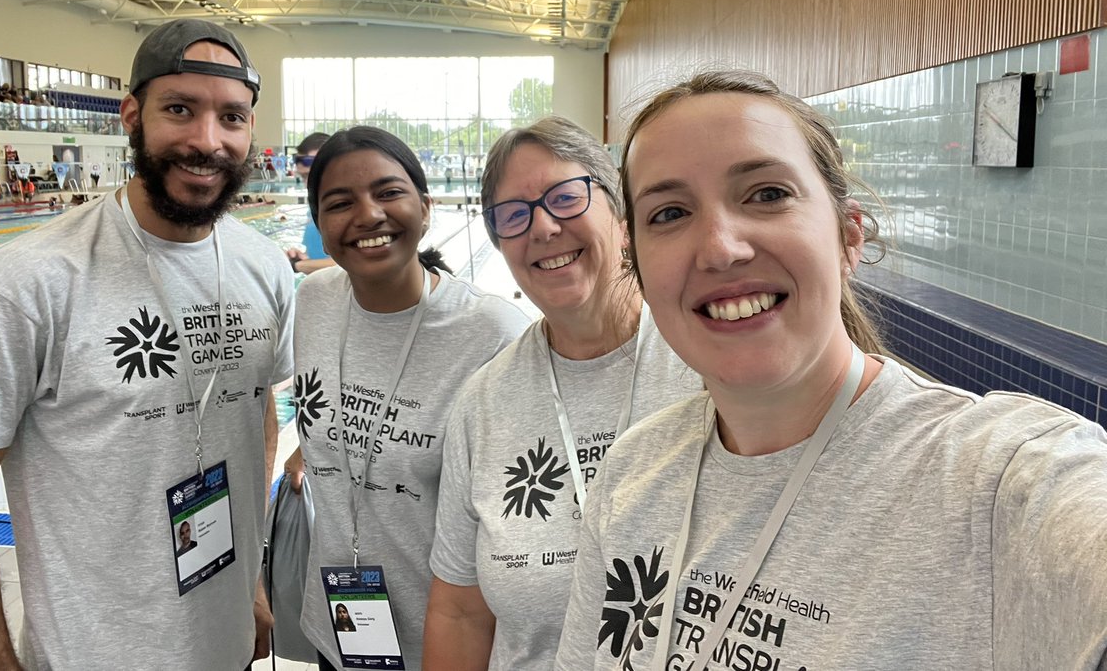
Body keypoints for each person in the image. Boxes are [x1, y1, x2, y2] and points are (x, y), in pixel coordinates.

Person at [553, 70, 1107, 670]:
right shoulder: (632, 474)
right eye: (669, 213)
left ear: (848, 237)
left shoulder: (996, 480)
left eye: (766, 194)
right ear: (638, 268)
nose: (720, 248)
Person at [0, 18, 296, 671]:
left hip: (228, 649)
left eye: (231, 117)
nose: (208, 140)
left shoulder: (264, 266)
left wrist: (250, 577)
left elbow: (252, 411)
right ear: (131, 115)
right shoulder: (28, 280)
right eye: (180, 110)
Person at [423, 117, 702, 671]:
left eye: (567, 197)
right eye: (513, 215)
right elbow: (459, 610)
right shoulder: (483, 403)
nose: (544, 228)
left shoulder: (706, 363)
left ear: (621, 216)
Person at [287, 126, 530, 671]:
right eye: (340, 202)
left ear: (425, 206)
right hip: (339, 629)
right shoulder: (316, 302)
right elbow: (328, 413)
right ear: (321, 227)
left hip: (446, 644)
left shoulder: (492, 333)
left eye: (388, 193)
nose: (369, 215)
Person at [286, 132, 336, 275]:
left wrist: (299, 266)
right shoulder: (315, 209)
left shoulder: (353, 212)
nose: (307, 185)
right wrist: (302, 258)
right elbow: (317, 256)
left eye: (312, 175)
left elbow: (354, 265)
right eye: (303, 176)